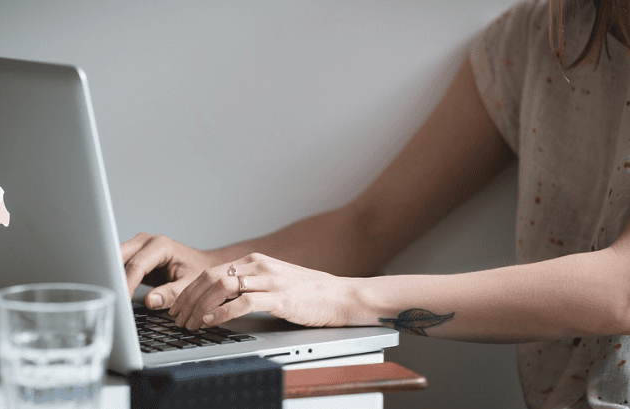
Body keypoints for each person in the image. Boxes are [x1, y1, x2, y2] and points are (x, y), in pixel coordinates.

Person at [121, 0, 630, 407]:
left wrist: (346, 299)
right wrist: (214, 269)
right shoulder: (532, 39)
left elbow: (621, 289)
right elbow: (368, 226)